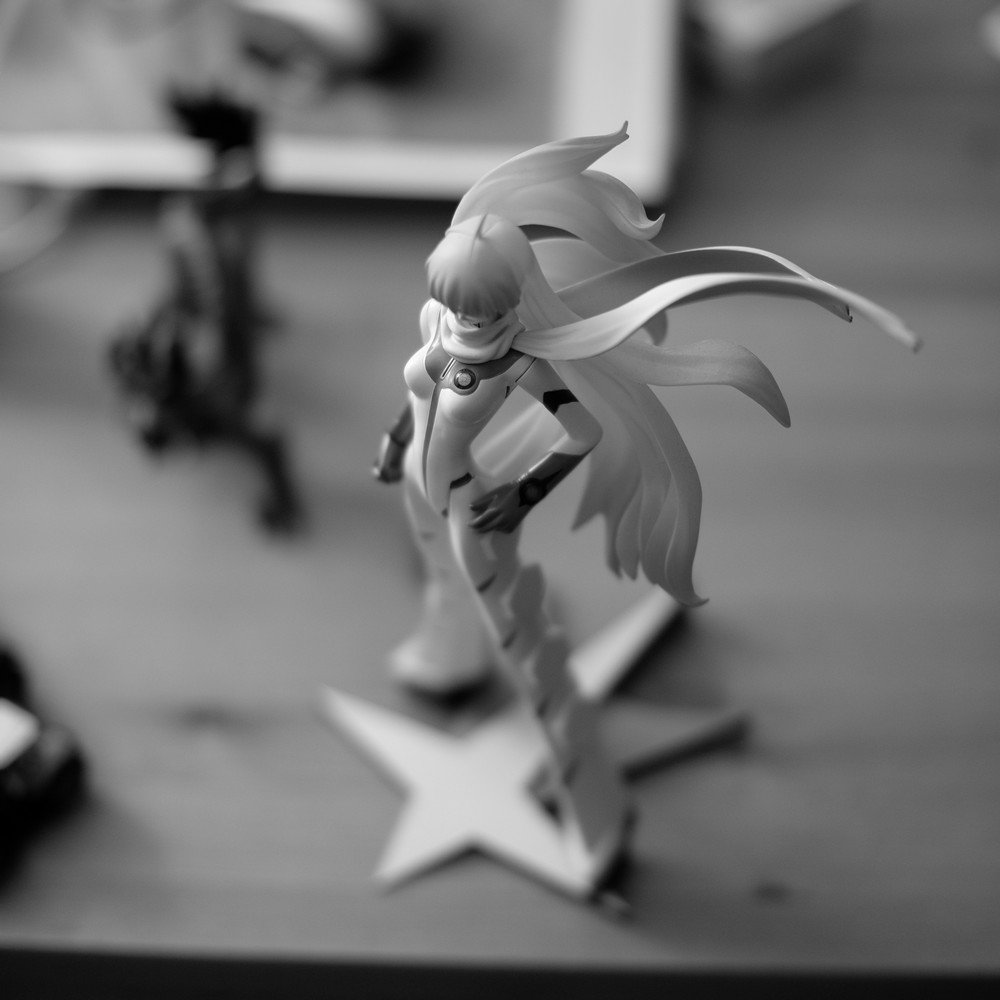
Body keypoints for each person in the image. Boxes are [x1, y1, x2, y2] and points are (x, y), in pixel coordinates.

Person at [374, 124, 918, 890]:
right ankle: (447, 655)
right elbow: (419, 392)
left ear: (509, 301)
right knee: (441, 582)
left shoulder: (521, 364)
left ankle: (593, 804)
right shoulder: (440, 322)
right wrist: (397, 440)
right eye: (456, 302)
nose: (465, 318)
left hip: (472, 500)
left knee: (524, 644)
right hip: (417, 482)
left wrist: (523, 492)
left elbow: (584, 432)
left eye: (480, 307)